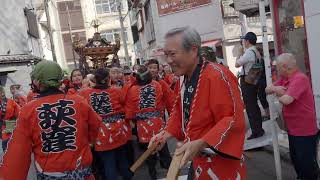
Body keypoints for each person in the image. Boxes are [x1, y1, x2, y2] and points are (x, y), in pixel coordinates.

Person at [149, 27, 246, 179]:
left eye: (173, 54)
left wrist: (201, 142)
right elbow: (180, 112)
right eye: (166, 55)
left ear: (193, 50)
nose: (168, 61)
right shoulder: (185, 76)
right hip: (197, 158)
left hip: (220, 163)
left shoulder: (217, 76)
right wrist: (164, 134)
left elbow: (232, 119)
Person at [0, 60, 102, 180]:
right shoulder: (79, 101)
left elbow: (18, 150)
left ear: (36, 81)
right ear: (60, 80)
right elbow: (95, 125)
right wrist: (84, 141)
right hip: (82, 174)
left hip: (50, 174)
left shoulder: (29, 109)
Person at [266, 53, 319, 180]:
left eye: (277, 67)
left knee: (306, 164)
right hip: (293, 129)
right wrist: (276, 88)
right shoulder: (284, 79)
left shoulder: (300, 78)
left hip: (304, 130)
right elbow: (267, 89)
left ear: (284, 67)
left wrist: (277, 90)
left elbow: (287, 100)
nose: (276, 70)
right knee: (296, 160)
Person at [79, 68, 132, 180]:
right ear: (108, 79)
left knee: (108, 163)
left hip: (100, 132)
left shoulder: (84, 93)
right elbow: (125, 106)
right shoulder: (116, 90)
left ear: (94, 80)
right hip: (118, 130)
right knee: (122, 159)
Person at [125, 65, 171, 179]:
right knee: (162, 147)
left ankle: (153, 174)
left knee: (148, 152)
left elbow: (130, 110)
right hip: (157, 121)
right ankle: (169, 172)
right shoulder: (157, 85)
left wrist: (132, 122)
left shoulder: (132, 89)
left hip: (142, 125)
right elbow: (166, 100)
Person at [235, 32, 267, 140]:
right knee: (254, 106)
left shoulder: (248, 52)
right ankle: (259, 129)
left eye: (244, 40)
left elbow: (237, 64)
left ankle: (256, 132)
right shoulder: (256, 51)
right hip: (254, 80)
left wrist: (239, 54)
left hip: (247, 82)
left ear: (247, 41)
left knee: (250, 107)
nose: (243, 42)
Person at [0, 86, 20, 151]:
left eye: (2, 92)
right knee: (7, 147)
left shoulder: (11, 101)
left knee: (9, 145)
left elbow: (18, 113)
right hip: (4, 126)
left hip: (10, 124)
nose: (2, 94)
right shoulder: (11, 101)